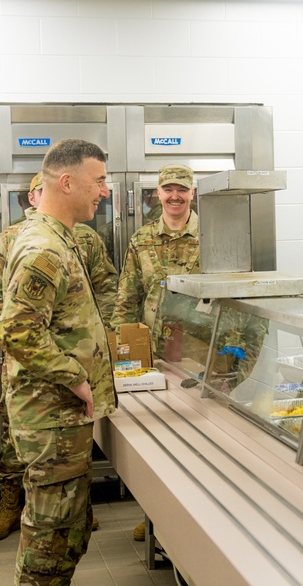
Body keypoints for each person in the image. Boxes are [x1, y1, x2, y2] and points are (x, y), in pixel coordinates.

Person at [0, 139, 117, 584]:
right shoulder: (44, 248)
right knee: (48, 543)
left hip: (60, 417)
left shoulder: (60, 237)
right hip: (51, 419)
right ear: (67, 182)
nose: (104, 191)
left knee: (68, 532)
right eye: (99, 181)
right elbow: (17, 331)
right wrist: (75, 378)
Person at [111, 163, 200, 542]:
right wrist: (122, 349)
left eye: (182, 189)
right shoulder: (142, 239)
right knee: (158, 438)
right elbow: (127, 295)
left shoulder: (212, 236)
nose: (175, 196)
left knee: (197, 436)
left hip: (198, 353)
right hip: (155, 354)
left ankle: (193, 516)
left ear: (192, 193)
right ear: (157, 194)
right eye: (168, 190)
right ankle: (154, 514)